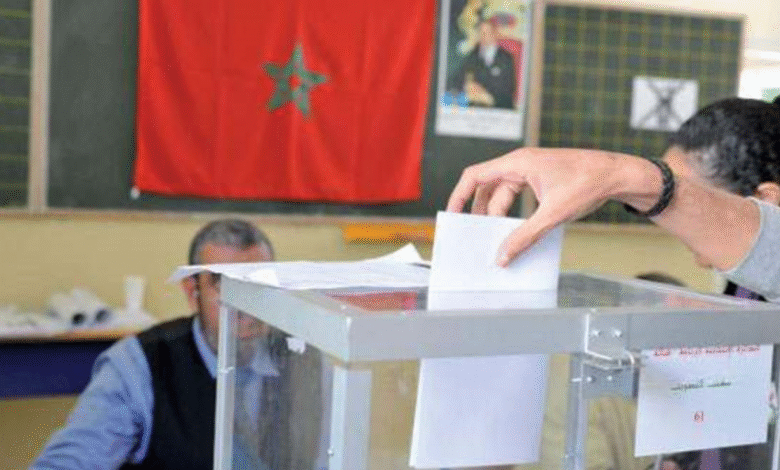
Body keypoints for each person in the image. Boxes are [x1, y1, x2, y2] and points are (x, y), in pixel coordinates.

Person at [30, 219, 323, 470]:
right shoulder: (141, 363)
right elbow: (71, 461)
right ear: (192, 291)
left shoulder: (303, 359)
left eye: (259, 286)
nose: (246, 309)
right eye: (225, 286)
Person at [446, 97, 780, 302]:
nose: (698, 255)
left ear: (767, 200)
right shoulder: (742, 288)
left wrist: (621, 177)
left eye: (691, 197)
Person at [449, 16, 517, 109]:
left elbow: (510, 90)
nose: (484, 35)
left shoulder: (506, 58)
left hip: (499, 109)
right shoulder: (472, 56)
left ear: (495, 33)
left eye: (487, 32)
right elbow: (456, 81)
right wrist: (466, 86)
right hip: (475, 109)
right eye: (481, 32)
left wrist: (488, 98)